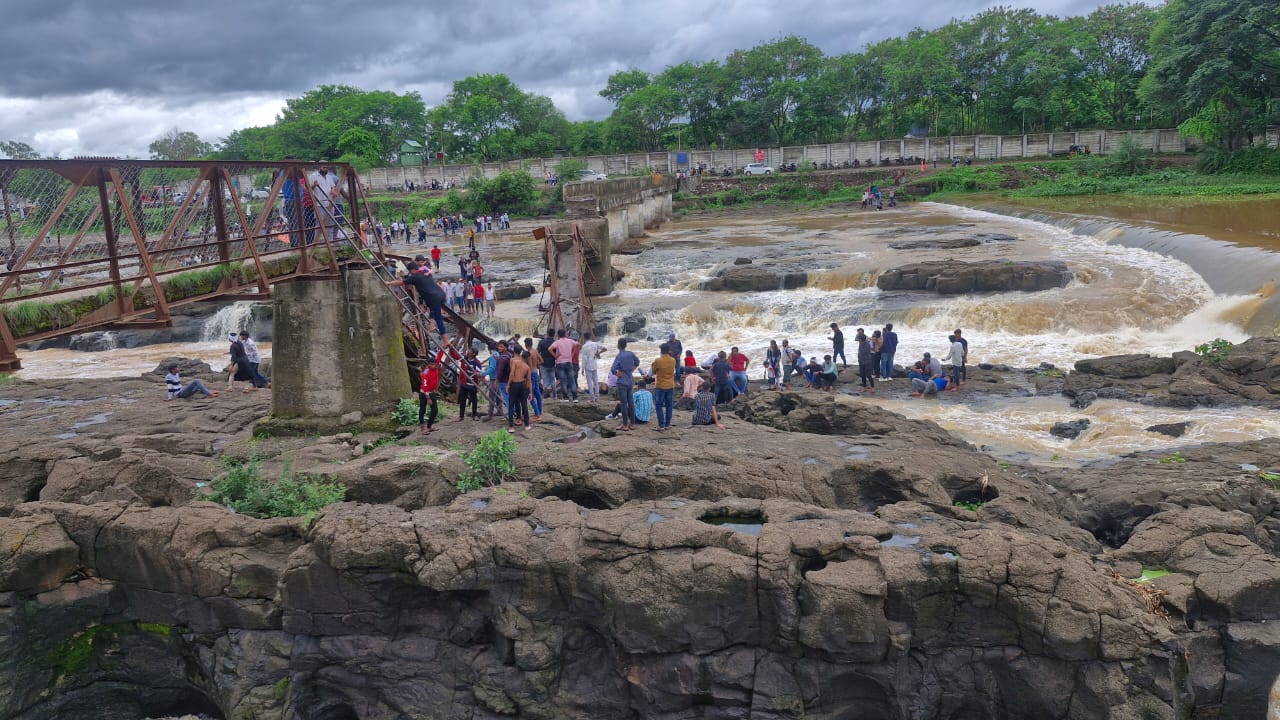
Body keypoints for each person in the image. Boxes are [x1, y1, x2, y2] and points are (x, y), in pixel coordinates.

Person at [387, 262, 448, 341]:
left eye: (410, 271)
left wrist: (389, 283)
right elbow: (427, 269)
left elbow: (400, 282)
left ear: (412, 270)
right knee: (432, 309)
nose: (410, 273)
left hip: (433, 298)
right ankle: (432, 325)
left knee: (438, 317)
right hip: (441, 294)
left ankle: (445, 340)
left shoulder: (414, 277)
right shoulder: (425, 272)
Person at [609, 338, 640, 431]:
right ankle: (632, 424)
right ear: (626, 345)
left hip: (622, 382)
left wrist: (617, 373)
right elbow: (637, 362)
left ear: (618, 345)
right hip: (630, 380)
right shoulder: (630, 354)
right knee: (631, 403)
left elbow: (613, 369)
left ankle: (625, 425)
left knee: (623, 404)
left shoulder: (619, 356)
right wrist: (632, 369)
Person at [307, 163, 341, 243]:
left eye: (326, 168)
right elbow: (308, 189)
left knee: (330, 222)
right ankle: (316, 242)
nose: (325, 169)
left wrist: (333, 191)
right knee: (319, 223)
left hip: (329, 202)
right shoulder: (313, 176)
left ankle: (330, 240)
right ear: (320, 167)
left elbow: (332, 187)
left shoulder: (329, 177)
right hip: (319, 203)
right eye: (324, 167)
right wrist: (314, 185)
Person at [649, 342, 677, 431]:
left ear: (661, 350)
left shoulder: (658, 360)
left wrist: (653, 364)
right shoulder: (673, 360)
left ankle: (661, 425)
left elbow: (653, 371)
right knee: (669, 405)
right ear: (668, 350)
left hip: (660, 385)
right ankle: (667, 425)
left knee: (658, 405)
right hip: (670, 385)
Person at [549, 329, 579, 401]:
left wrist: (555, 356)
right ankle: (575, 397)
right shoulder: (570, 341)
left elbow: (549, 349)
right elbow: (578, 345)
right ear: (565, 334)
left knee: (563, 381)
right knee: (572, 380)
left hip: (560, 363)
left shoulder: (557, 342)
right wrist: (573, 353)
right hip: (569, 362)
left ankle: (566, 398)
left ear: (558, 335)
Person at [506, 350, 532, 433]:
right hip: (522, 385)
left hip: (514, 384)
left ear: (521, 356)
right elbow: (529, 381)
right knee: (524, 405)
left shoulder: (515, 362)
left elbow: (511, 374)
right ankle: (527, 425)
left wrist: (508, 384)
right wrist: (530, 392)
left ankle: (511, 427)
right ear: (527, 358)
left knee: (511, 405)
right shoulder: (527, 367)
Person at [418, 355, 441, 434]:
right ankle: (422, 428)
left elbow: (439, 357)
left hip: (432, 392)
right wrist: (428, 398)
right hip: (424, 393)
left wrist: (444, 349)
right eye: (431, 364)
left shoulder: (436, 368)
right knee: (422, 410)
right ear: (428, 364)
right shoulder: (426, 372)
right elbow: (425, 386)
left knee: (435, 410)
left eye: (434, 364)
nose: (433, 366)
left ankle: (429, 426)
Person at [457, 349, 480, 421]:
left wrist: (478, 374)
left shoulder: (476, 362)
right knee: (462, 400)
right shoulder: (464, 359)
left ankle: (474, 415)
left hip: (472, 384)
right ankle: (461, 416)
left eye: (470, 351)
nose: (467, 352)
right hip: (464, 383)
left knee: (474, 400)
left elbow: (479, 372)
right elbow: (456, 356)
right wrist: (451, 348)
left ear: (473, 354)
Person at [580, 332, 602, 403]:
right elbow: (604, 348)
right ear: (590, 337)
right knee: (596, 382)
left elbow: (584, 359)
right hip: (594, 365)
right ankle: (597, 397)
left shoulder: (584, 346)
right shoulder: (595, 344)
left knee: (589, 382)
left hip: (588, 366)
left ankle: (592, 398)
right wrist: (598, 353)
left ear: (584, 338)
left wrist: (582, 369)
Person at [856, 328, 875, 393]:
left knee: (869, 375)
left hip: (867, 362)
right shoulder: (861, 343)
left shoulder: (867, 344)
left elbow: (864, 352)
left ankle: (873, 387)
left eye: (859, 339)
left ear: (862, 340)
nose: (858, 340)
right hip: (861, 362)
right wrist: (859, 360)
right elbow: (859, 353)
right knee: (862, 375)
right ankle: (864, 387)